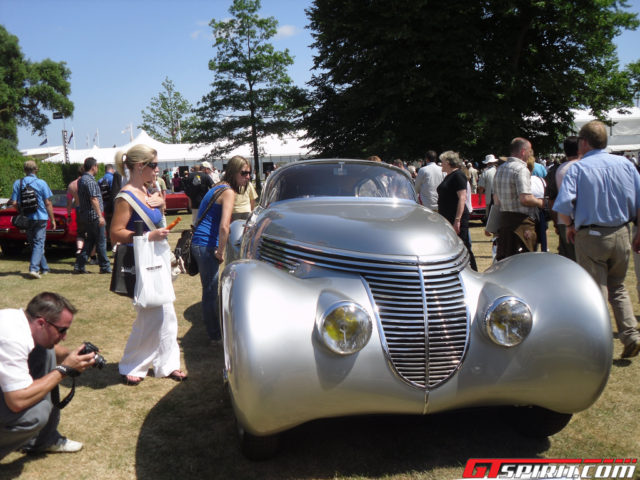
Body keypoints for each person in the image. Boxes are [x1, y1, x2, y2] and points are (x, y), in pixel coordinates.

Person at [554, 120, 640, 359]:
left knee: (596, 289)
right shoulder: (626, 164)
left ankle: (598, 342)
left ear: (583, 142)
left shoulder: (578, 169)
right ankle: (630, 334)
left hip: (591, 234)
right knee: (619, 287)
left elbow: (563, 205)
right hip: (622, 232)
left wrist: (569, 224)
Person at [110, 144, 187, 385]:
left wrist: (160, 203)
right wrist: (147, 237)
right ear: (139, 166)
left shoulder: (148, 190)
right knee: (150, 315)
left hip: (157, 257)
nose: (158, 170)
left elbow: (157, 220)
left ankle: (168, 363)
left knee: (167, 313)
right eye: (154, 165)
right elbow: (115, 233)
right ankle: (132, 363)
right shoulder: (126, 197)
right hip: (142, 261)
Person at [0, 292, 96, 458]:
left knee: (47, 351)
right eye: (62, 330)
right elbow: (17, 401)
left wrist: (72, 356)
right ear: (42, 323)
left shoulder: (18, 320)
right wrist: (64, 369)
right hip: (15, 398)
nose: (64, 337)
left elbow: (52, 349)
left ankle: (43, 440)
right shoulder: (12, 339)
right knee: (35, 415)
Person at [191, 155, 251, 344]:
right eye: (244, 173)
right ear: (233, 173)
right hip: (207, 244)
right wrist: (220, 250)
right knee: (210, 291)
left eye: (249, 173)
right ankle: (215, 335)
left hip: (200, 243)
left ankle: (212, 328)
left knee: (208, 290)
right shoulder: (228, 192)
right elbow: (225, 226)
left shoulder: (217, 187)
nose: (247, 177)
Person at [493, 137, 545, 260]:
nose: (530, 154)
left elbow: (497, 201)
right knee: (524, 262)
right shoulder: (521, 169)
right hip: (521, 224)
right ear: (523, 151)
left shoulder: (500, 169)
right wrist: (541, 202)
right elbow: (525, 198)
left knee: (507, 262)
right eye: (529, 151)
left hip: (505, 222)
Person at [6, 161, 56, 279]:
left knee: (34, 243)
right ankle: (34, 268)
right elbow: (48, 203)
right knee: (38, 243)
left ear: (24, 170)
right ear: (36, 169)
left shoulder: (18, 183)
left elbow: (14, 202)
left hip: (27, 218)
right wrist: (52, 219)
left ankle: (45, 268)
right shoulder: (42, 183)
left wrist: (21, 211)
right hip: (41, 217)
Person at [437, 151, 477, 270]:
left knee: (463, 246)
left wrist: (457, 220)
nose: (441, 164)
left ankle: (473, 270)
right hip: (447, 216)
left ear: (448, 163)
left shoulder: (458, 175)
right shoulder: (449, 176)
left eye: (442, 162)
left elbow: (462, 198)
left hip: (456, 216)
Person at [74, 157, 111, 274]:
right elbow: (94, 199)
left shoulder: (81, 180)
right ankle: (105, 266)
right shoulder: (89, 181)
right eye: (97, 166)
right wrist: (100, 216)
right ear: (93, 166)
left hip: (86, 215)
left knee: (90, 241)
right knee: (101, 241)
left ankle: (79, 265)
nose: (97, 169)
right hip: (94, 215)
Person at [546, 136, 579, 260]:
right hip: (588, 222)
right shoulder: (588, 166)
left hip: (564, 221)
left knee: (569, 261)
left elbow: (552, 201)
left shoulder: (555, 171)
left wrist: (556, 223)